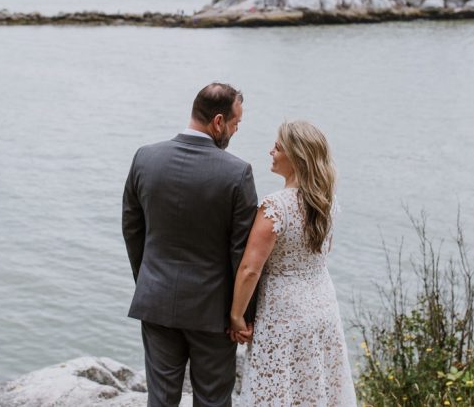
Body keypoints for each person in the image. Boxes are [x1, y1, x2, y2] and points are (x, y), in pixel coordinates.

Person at [122, 83, 259, 407]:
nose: (235, 131)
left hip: (155, 300)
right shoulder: (237, 173)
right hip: (212, 311)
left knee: (161, 399)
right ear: (218, 121)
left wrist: (148, 281)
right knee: (212, 400)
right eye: (236, 123)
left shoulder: (145, 158)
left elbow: (132, 228)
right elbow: (242, 252)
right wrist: (242, 315)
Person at [228, 120, 357, 406]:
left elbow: (250, 269)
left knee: (277, 390)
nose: (270, 151)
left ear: (296, 156)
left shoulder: (275, 206)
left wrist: (237, 316)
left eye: (277, 147)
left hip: (282, 311)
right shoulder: (327, 202)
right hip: (322, 305)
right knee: (312, 388)